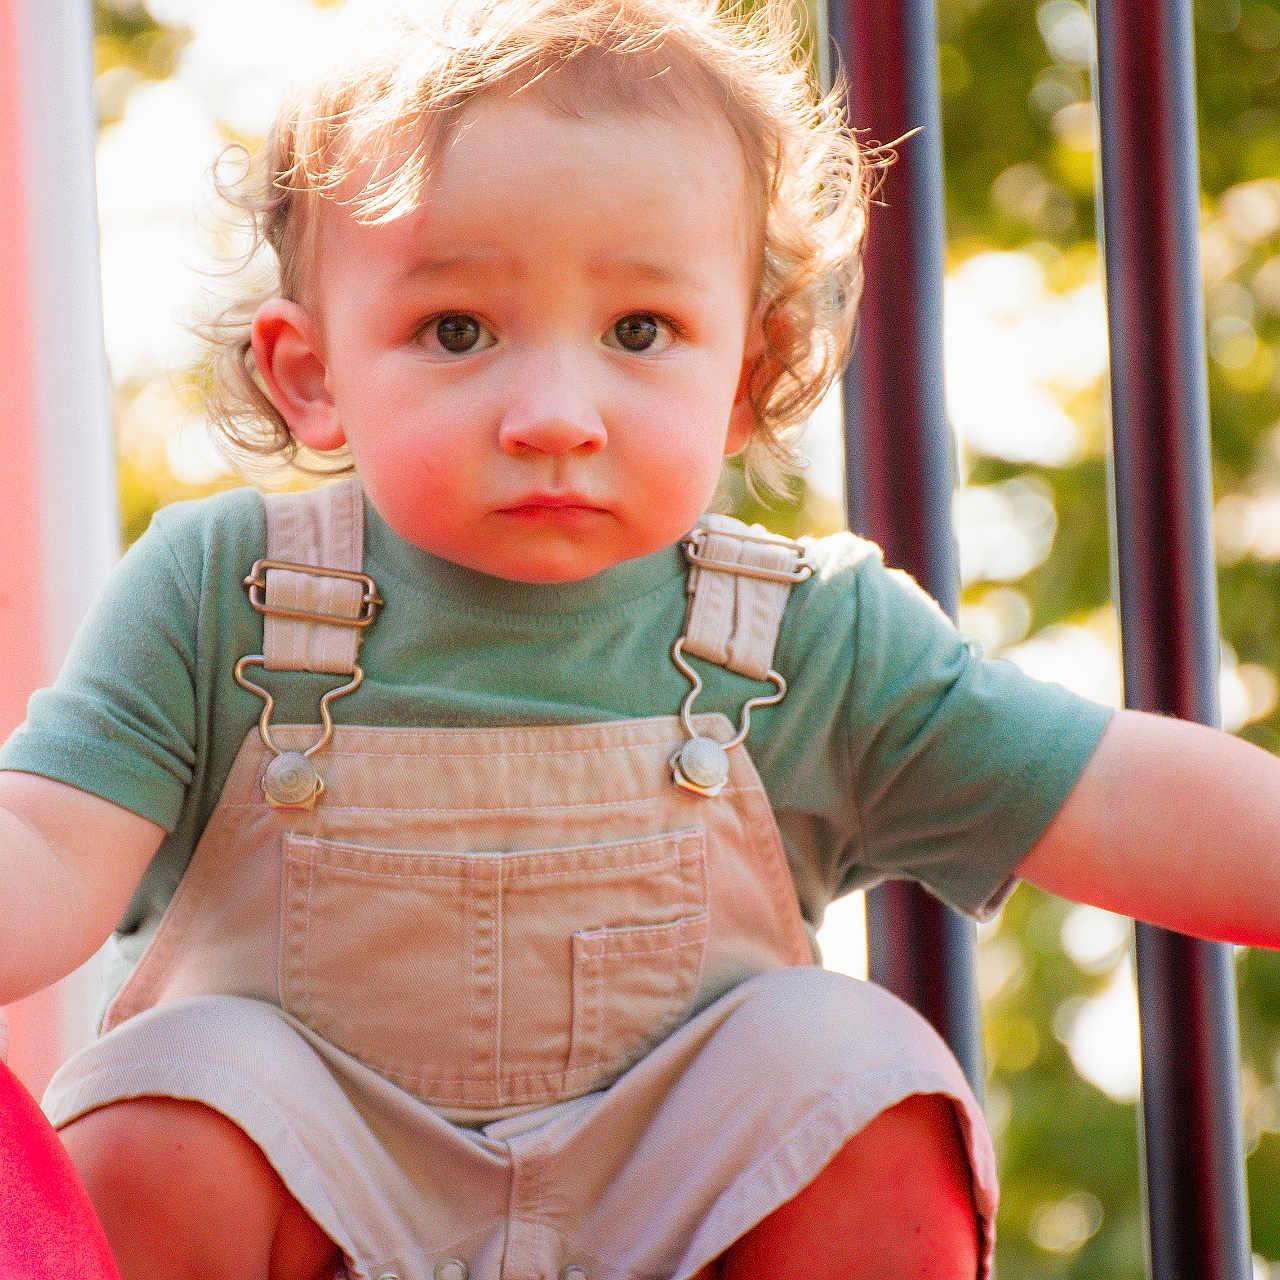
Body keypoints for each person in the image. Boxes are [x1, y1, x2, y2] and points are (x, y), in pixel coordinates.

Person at [0, 1, 1277, 1277]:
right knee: (177, 1089)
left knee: (851, 1068)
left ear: (745, 369)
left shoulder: (801, 633)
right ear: (312, 372)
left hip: (681, 1224)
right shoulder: (228, 591)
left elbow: (1107, 795)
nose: (554, 415)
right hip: (320, 1218)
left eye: (637, 331)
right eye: (458, 331)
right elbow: (49, 846)